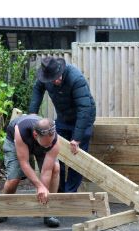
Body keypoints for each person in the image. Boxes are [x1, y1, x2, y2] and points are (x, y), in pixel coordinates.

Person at [28, 56, 96, 193]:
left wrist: (76, 138)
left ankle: (70, 193)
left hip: (83, 118)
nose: (56, 80)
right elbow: (37, 91)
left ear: (61, 70)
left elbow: (84, 108)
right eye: (52, 79)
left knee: (77, 157)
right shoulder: (45, 79)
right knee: (58, 155)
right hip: (63, 118)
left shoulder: (75, 78)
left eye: (58, 77)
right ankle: (60, 192)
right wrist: (32, 115)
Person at [0, 114, 62, 227]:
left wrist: (42, 194)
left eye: (51, 142)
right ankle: (2, 208)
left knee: (55, 168)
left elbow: (46, 172)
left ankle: (49, 211)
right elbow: (24, 163)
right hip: (15, 141)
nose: (50, 145)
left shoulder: (53, 141)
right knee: (14, 179)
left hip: (39, 143)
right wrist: (39, 186)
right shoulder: (21, 130)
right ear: (36, 135)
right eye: (47, 143)